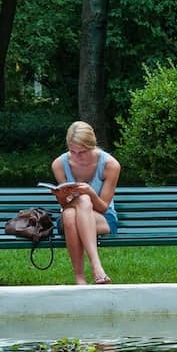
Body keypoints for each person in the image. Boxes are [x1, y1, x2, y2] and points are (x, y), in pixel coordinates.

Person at [50, 120, 120, 285]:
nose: (77, 157)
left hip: (102, 218)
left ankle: (82, 276)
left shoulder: (110, 165)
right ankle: (94, 269)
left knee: (80, 203)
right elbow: (65, 205)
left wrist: (90, 193)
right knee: (70, 212)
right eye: (72, 151)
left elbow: (103, 207)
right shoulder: (59, 164)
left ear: (92, 146)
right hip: (70, 215)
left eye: (82, 152)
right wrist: (61, 196)